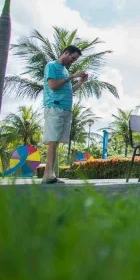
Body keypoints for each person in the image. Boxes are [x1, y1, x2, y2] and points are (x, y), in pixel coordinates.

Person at [40, 45, 87, 184]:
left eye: (75, 60)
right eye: (72, 58)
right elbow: (53, 85)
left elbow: (69, 90)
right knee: (52, 141)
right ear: (65, 52)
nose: (72, 61)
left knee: (56, 142)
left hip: (65, 109)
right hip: (54, 107)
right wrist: (72, 76)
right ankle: (48, 175)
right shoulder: (52, 66)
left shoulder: (65, 71)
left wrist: (80, 82)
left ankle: (50, 175)